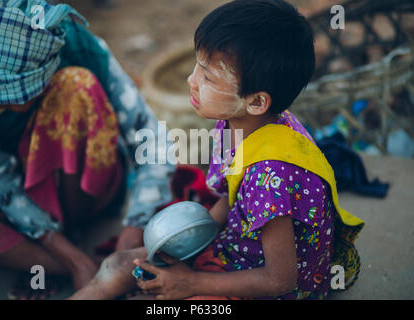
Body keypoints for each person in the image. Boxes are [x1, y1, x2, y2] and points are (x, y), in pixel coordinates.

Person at [69, 0, 364, 300]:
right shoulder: (237, 123)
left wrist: (190, 283)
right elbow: (230, 194)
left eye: (208, 77)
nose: (191, 81)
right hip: (234, 251)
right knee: (119, 264)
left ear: (257, 102)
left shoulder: (270, 176)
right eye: (197, 67)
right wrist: (188, 241)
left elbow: (280, 280)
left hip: (270, 287)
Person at [0, 0, 174, 299]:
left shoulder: (75, 46)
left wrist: (134, 227)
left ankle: (69, 256)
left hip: (82, 193)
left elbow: (151, 140)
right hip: (12, 205)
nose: (0, 107)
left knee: (77, 86)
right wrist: (74, 261)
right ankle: (76, 262)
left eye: (8, 96)